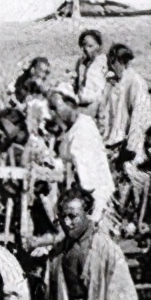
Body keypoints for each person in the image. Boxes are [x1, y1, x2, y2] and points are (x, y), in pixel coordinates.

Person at [47, 90, 114, 223]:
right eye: (51, 108)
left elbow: (87, 177)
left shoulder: (83, 130)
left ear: (70, 104)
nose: (54, 113)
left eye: (56, 107)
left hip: (93, 196)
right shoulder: (72, 128)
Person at [98, 43, 151, 168]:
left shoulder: (136, 82)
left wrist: (130, 147)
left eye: (113, 62)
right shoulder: (111, 83)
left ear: (123, 62)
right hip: (110, 144)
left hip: (127, 146)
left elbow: (139, 117)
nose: (110, 66)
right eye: (110, 63)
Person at [73, 29, 108, 113]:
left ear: (99, 46)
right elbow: (76, 85)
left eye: (90, 46)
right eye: (83, 46)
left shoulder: (104, 61)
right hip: (81, 100)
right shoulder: (80, 63)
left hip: (97, 103)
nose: (86, 49)